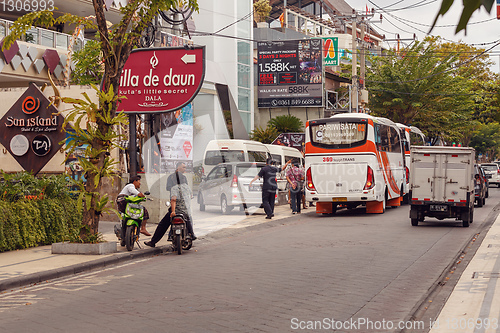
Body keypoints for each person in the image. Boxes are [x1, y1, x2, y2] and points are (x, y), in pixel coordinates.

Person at [144, 162, 196, 247]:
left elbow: (173, 199)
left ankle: (153, 241)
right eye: (183, 167)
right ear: (178, 168)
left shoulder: (177, 184)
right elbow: (189, 195)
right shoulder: (183, 185)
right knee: (188, 218)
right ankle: (191, 235)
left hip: (176, 207)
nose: (185, 169)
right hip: (184, 209)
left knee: (163, 224)